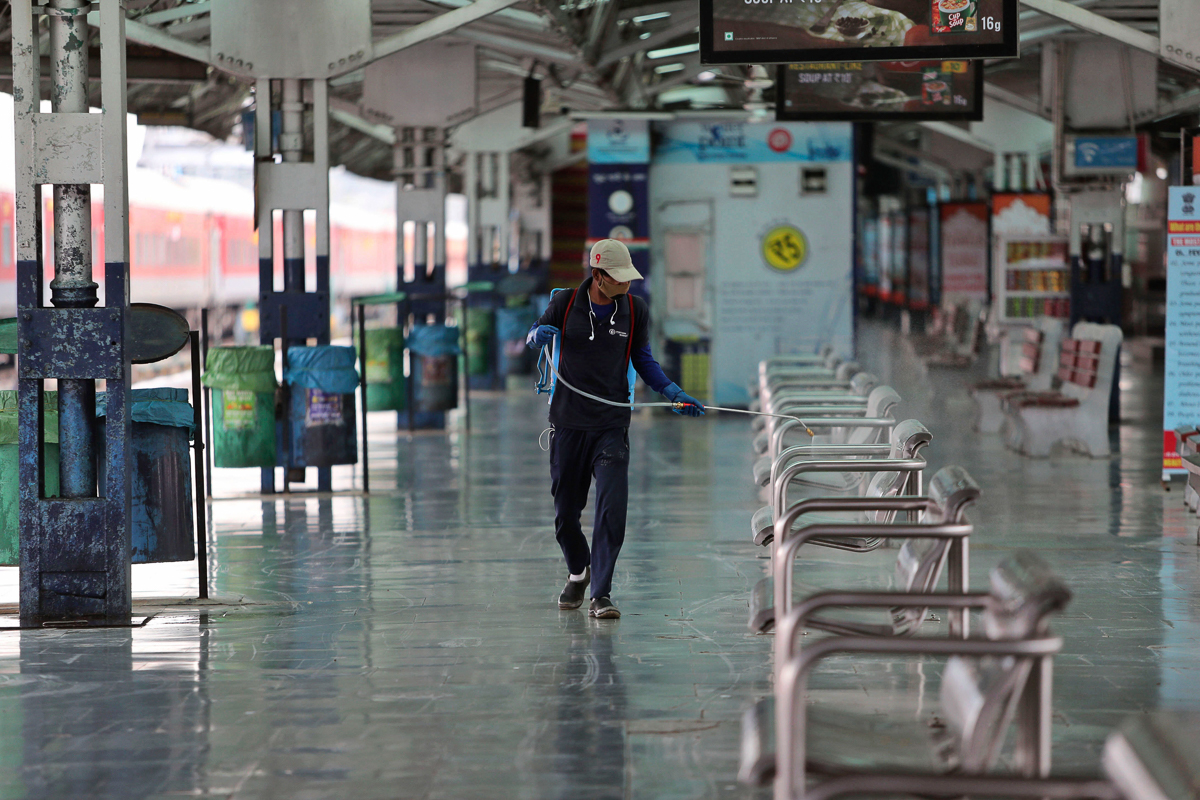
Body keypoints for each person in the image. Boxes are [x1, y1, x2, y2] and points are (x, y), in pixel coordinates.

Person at [527, 239, 705, 619]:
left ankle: (601, 594)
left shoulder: (635, 310)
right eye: (619, 278)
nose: (626, 284)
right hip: (568, 424)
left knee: (612, 509)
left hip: (611, 425)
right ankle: (579, 573)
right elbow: (534, 333)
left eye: (628, 278)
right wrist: (536, 336)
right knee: (565, 515)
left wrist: (673, 393)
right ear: (598, 275)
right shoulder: (566, 303)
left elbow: (644, 360)